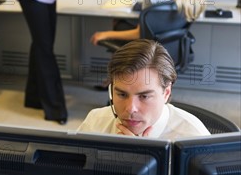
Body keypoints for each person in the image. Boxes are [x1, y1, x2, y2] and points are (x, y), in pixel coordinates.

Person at [77, 39, 210, 139]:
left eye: (144, 96)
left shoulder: (193, 136)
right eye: (122, 94)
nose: (130, 108)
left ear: (166, 93)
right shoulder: (95, 122)